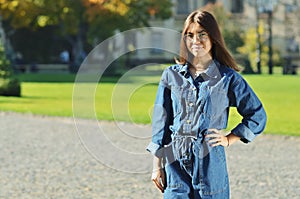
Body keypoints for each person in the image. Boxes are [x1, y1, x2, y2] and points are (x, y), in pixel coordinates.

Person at [146, 10, 267, 199]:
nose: (196, 40)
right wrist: (156, 166)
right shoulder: (171, 75)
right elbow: (161, 124)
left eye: (202, 34)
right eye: (190, 35)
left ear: (213, 38)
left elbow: (257, 115)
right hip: (175, 164)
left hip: (210, 164)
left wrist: (229, 139)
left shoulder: (228, 78)